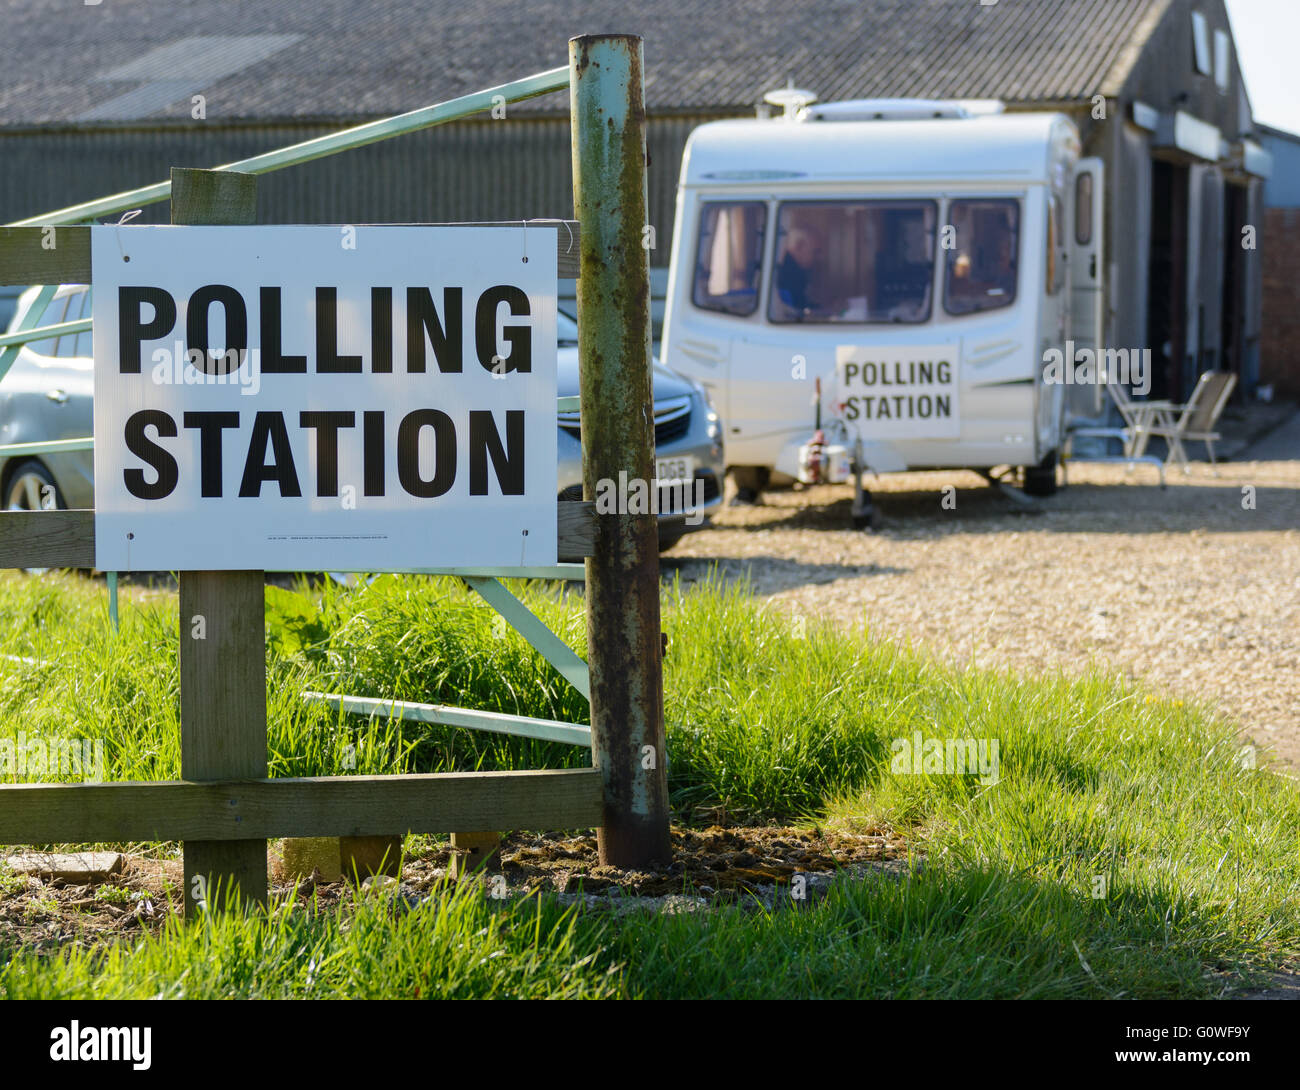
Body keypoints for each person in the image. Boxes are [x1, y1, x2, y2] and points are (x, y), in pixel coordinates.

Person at [775, 227, 820, 315]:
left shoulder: (786, 266)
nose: (817, 258)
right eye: (814, 252)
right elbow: (799, 308)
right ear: (799, 246)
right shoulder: (791, 274)